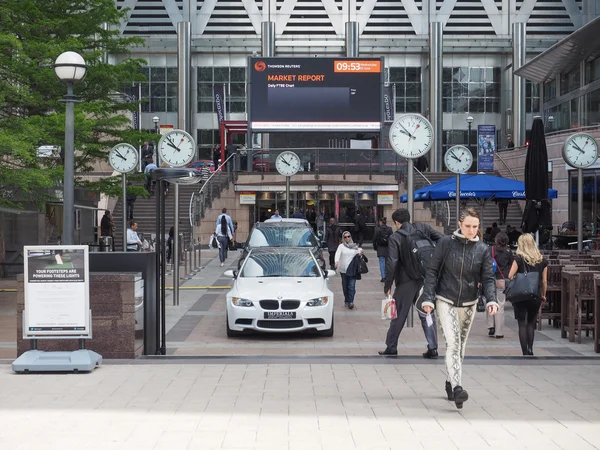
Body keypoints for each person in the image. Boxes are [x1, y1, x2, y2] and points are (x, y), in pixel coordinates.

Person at [418, 208, 498, 409]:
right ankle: (457, 388)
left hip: (469, 302)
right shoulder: (446, 243)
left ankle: (450, 381)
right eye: (468, 226)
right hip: (445, 298)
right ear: (460, 225)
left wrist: (491, 300)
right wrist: (427, 298)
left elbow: (488, 277)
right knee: (453, 343)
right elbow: (432, 272)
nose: (472, 230)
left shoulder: (482, 249)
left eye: (475, 226)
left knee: (460, 347)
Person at [379, 208, 444, 359]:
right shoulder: (423, 228)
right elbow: (442, 239)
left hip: (406, 281)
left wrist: (388, 285)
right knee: (427, 312)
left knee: (398, 314)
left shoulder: (395, 237)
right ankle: (433, 347)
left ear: (396, 222)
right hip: (424, 278)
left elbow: (392, 262)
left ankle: (391, 346)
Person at [507, 233, 548, 356]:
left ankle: (524, 352)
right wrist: (544, 295)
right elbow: (545, 280)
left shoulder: (518, 259)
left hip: (520, 294)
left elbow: (510, 275)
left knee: (521, 323)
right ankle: (530, 349)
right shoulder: (542, 260)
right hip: (535, 294)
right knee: (531, 322)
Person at [488, 232, 513, 339]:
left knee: (489, 301)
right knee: (500, 305)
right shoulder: (508, 252)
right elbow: (511, 265)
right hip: (502, 279)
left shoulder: (491, 250)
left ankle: (490, 326)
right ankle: (499, 332)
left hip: (490, 279)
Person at [335, 231, 365, 310]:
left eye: (348, 236)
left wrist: (361, 252)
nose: (347, 238)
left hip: (352, 270)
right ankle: (347, 300)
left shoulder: (355, 246)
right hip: (343, 269)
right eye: (345, 237)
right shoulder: (341, 246)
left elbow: (359, 250)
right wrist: (336, 262)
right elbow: (337, 254)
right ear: (343, 238)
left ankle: (351, 302)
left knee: (351, 286)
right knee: (345, 286)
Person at [372, 217, 392, 282]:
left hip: (380, 247)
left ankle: (383, 277)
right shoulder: (390, 229)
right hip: (387, 248)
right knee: (387, 263)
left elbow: (374, 239)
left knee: (381, 262)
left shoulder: (377, 229)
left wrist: (375, 247)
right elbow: (392, 239)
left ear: (380, 222)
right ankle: (386, 276)